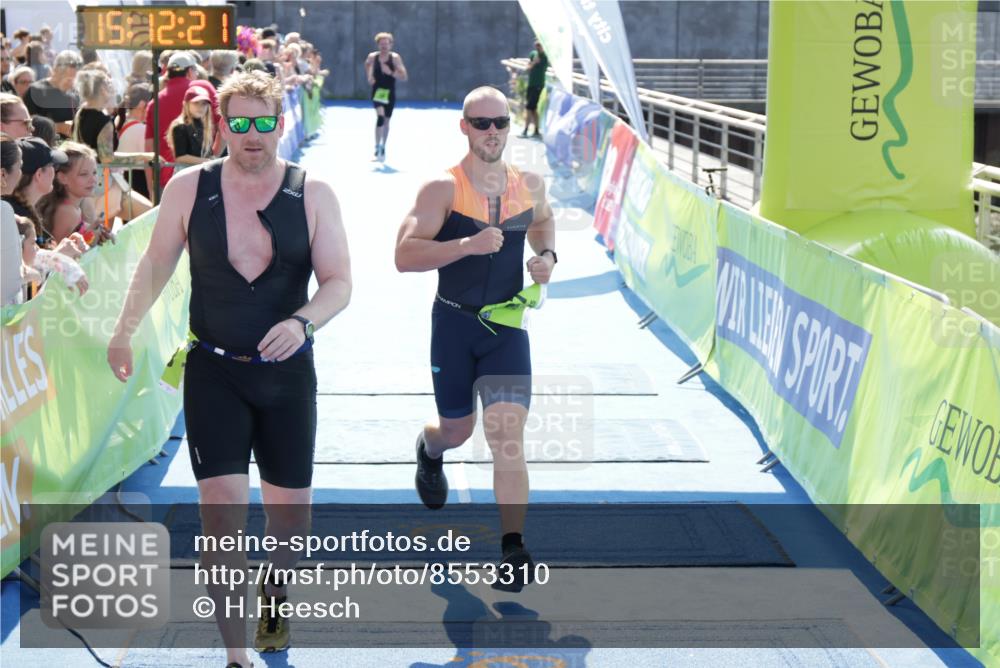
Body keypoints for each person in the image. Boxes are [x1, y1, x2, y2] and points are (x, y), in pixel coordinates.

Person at [107, 71, 351, 668]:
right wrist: (123, 332)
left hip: (286, 377)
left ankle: (274, 587)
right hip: (213, 371)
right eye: (239, 122)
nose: (252, 135)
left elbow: (339, 283)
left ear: (281, 124)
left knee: (291, 522)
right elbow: (155, 264)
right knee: (220, 518)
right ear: (221, 125)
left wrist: (302, 323)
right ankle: (236, 653)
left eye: (263, 122)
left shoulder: (313, 193)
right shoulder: (189, 188)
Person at [394, 86, 556, 592]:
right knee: (458, 431)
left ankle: (513, 548)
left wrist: (546, 258)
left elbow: (544, 223)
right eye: (481, 123)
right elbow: (404, 255)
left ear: (510, 126)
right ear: (464, 126)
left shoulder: (529, 184)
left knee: (506, 434)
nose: (492, 132)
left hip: (505, 328)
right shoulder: (441, 189)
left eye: (500, 122)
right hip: (454, 326)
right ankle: (430, 449)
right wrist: (465, 244)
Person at [73, 69, 153, 222]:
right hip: (102, 184)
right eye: (110, 85)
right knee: (151, 215)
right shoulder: (103, 121)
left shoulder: (81, 113)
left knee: (99, 231)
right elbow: (108, 159)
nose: (114, 89)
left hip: (89, 180)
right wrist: (143, 157)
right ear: (104, 89)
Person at [144, 51, 220, 194]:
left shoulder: (153, 104)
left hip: (166, 179)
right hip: (193, 178)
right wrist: (213, 159)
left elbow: (149, 148)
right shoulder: (203, 89)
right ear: (190, 71)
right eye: (195, 71)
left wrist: (150, 187)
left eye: (203, 104)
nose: (200, 107)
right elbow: (224, 126)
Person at [37, 141, 111, 245]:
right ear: (62, 178)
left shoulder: (73, 207)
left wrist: (97, 233)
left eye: (94, 173)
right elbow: (60, 250)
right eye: (84, 174)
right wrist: (90, 237)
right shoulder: (67, 212)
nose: (93, 179)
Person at [364, 32, 408, 162]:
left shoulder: (395, 58)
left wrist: (391, 72)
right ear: (378, 45)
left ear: (391, 45)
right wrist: (370, 77)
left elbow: (404, 76)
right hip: (377, 92)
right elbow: (367, 65)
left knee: (387, 121)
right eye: (381, 44)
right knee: (380, 117)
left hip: (390, 93)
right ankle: (377, 147)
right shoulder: (373, 57)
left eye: (386, 44)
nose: (384, 46)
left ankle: (383, 146)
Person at [23, 50, 82, 138]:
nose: (72, 83)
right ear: (56, 71)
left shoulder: (74, 94)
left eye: (75, 79)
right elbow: (27, 124)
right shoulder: (36, 91)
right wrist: (59, 127)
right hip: (43, 144)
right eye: (68, 79)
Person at [166, 87, 216, 168]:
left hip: (200, 171)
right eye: (196, 103)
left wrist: (214, 160)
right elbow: (181, 157)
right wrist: (207, 161)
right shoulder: (180, 126)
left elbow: (208, 153)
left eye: (204, 104)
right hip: (185, 171)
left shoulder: (205, 126)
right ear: (186, 104)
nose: (200, 107)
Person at [521, 40, 548, 138]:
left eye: (539, 45)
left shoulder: (545, 57)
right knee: (533, 108)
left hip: (538, 85)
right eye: (536, 45)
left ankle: (526, 129)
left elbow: (544, 67)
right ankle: (536, 130)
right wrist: (533, 62)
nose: (538, 47)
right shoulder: (533, 54)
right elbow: (527, 68)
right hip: (531, 84)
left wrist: (537, 62)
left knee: (529, 107)